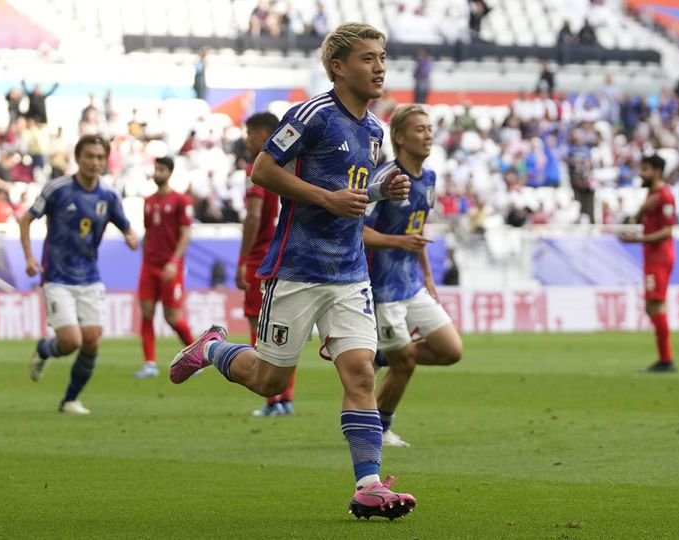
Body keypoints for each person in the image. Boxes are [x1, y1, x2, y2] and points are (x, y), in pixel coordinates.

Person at [168, 23, 416, 519]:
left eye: (382, 57)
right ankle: (212, 348)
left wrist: (379, 193)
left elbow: (351, 196)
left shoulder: (372, 130)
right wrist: (327, 197)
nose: (380, 66)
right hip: (298, 268)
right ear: (338, 67)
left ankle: (367, 484)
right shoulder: (311, 115)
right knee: (267, 379)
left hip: (349, 272)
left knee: (361, 371)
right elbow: (262, 169)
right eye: (368, 58)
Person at [363, 104, 463, 447]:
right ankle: (379, 428)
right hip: (382, 289)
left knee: (451, 350)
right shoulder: (383, 180)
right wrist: (397, 241)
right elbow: (355, 232)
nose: (428, 134)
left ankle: (378, 354)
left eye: (430, 128)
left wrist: (430, 279)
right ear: (401, 137)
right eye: (419, 129)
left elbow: (416, 232)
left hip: (412, 284)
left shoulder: (430, 179)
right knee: (405, 363)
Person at [21, 134, 139, 413]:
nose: (95, 162)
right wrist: (28, 257)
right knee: (71, 341)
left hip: (90, 276)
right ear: (78, 158)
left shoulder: (108, 195)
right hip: (57, 277)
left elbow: (125, 226)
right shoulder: (57, 189)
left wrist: (131, 237)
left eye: (100, 157)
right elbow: (26, 218)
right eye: (90, 156)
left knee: (92, 341)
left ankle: (70, 400)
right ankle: (44, 349)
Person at [234, 111, 297, 417]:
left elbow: (254, 215)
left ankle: (272, 400)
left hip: (263, 257)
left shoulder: (260, 168)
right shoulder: (291, 166)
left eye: (251, 133)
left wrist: (243, 259)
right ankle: (286, 398)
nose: (247, 139)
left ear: (264, 134)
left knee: (257, 326)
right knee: (286, 329)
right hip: (289, 255)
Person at [134, 157, 196, 379]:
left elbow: (186, 233)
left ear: (169, 172)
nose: (157, 173)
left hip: (171, 267)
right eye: (156, 169)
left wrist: (174, 262)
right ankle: (150, 363)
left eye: (161, 169)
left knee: (172, 317)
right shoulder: (149, 201)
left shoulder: (181, 200)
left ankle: (196, 354)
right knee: (147, 313)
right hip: (149, 265)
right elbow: (149, 232)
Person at [620, 154, 677, 372]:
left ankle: (666, 360)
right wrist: (642, 211)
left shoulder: (665, 196)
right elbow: (637, 221)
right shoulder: (651, 195)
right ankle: (665, 358)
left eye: (645, 170)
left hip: (660, 256)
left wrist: (638, 239)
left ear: (656, 172)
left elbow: (667, 231)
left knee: (655, 304)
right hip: (652, 255)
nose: (640, 174)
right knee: (651, 305)